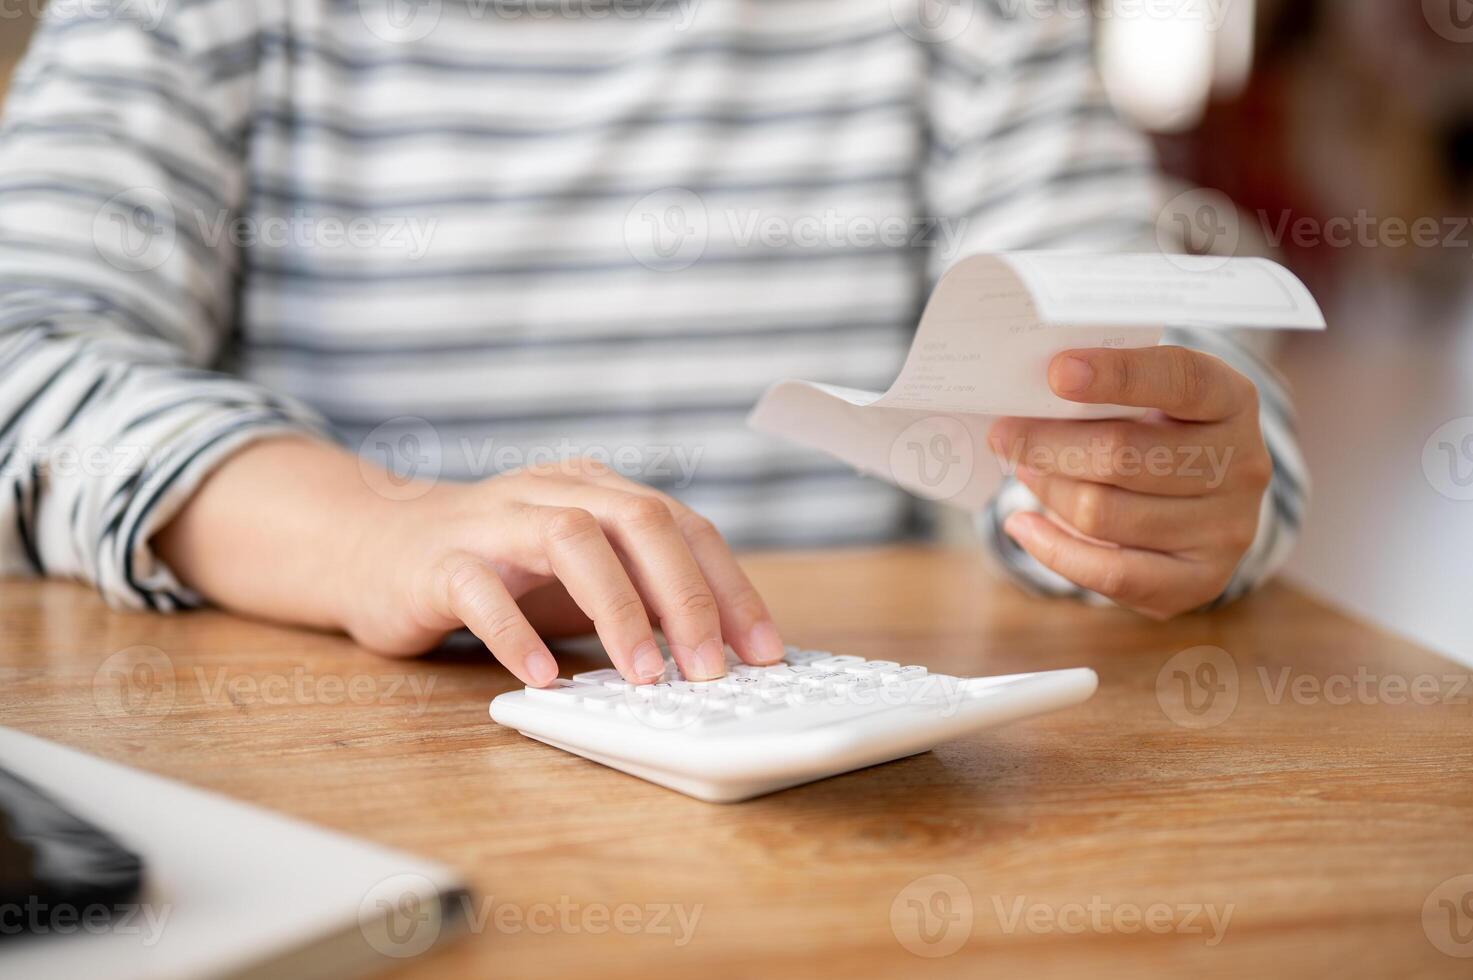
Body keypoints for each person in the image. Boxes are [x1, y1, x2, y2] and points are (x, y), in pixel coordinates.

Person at [0, 1, 1303, 687]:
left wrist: (1162, 489)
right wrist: (368, 528)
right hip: (355, 770)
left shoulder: (964, 19)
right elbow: (23, 350)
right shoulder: (190, 17)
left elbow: (1123, 327)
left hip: (856, 798)